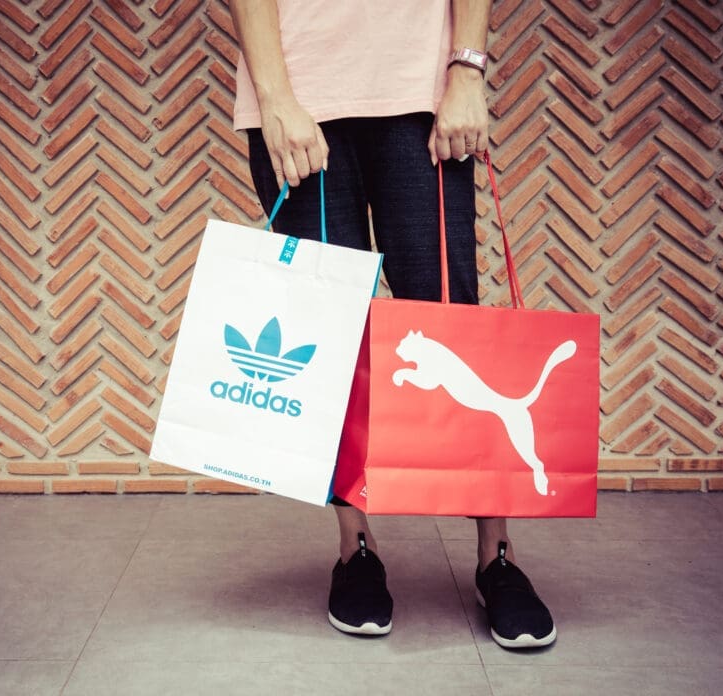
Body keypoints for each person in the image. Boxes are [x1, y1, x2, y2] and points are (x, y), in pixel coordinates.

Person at [228, 1, 557, 649]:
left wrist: (467, 72)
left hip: (420, 92)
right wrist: (274, 95)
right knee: (328, 336)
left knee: (453, 323)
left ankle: (498, 555)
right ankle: (356, 549)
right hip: (300, 96)